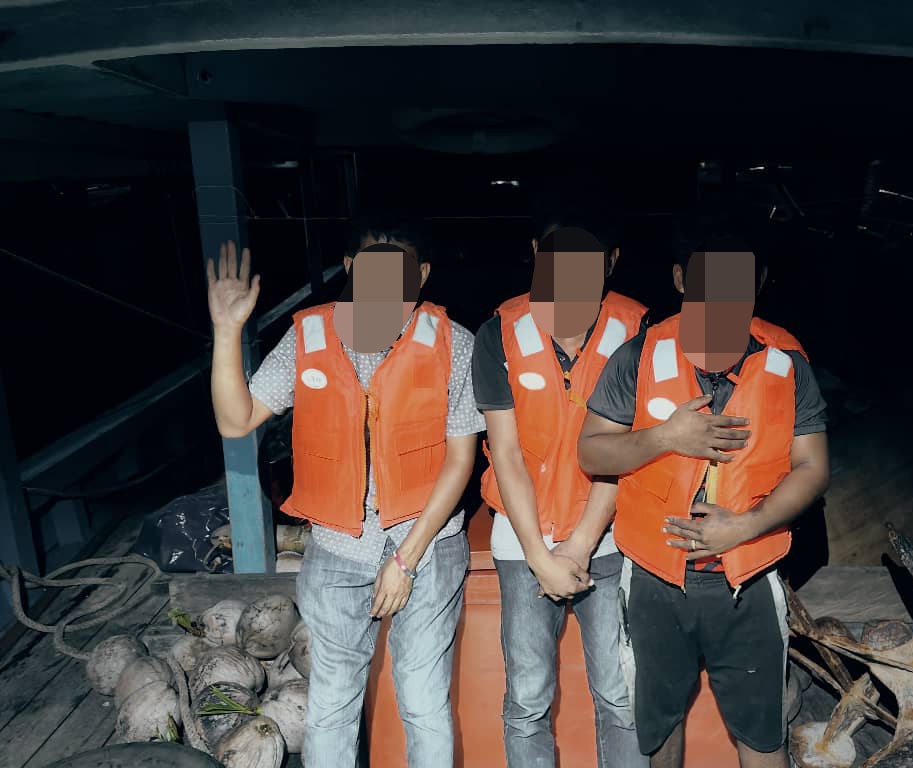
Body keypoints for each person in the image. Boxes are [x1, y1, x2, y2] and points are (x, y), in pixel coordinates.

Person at [206, 215, 484, 768]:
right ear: (352, 267)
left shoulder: (454, 343)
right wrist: (226, 332)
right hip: (337, 546)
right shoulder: (308, 337)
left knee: (423, 699)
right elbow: (236, 420)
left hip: (426, 544)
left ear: (421, 275)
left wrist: (404, 560)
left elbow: (460, 460)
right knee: (332, 703)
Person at [577, 221, 830, 768]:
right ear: (680, 279)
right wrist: (665, 436)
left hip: (750, 580)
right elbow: (592, 453)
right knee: (659, 730)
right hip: (655, 580)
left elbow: (812, 467)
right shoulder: (638, 357)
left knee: (763, 736)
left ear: (759, 281)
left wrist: (743, 527)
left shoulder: (786, 363)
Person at [472, 196, 650, 768]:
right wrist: (539, 556)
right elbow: (505, 453)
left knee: (621, 695)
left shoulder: (640, 333)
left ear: (610, 261)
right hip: (523, 540)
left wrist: (579, 544)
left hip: (611, 537)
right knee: (527, 699)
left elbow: (630, 450)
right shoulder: (498, 334)